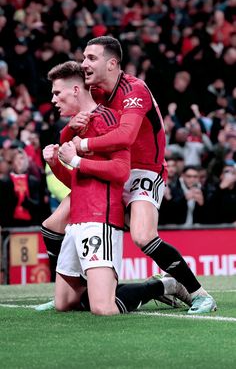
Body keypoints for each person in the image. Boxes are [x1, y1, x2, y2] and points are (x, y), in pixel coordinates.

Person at [61, 36, 216, 314]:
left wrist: (81, 147)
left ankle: (198, 293)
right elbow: (69, 112)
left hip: (145, 169)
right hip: (112, 166)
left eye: (91, 58)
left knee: (143, 235)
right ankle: (68, 294)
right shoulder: (92, 91)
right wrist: (72, 128)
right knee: (59, 220)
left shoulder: (135, 89)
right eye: (83, 57)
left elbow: (125, 135)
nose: (84, 63)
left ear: (112, 63)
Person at [40, 61, 191, 314]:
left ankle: (164, 286)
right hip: (77, 218)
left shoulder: (109, 119)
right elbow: (76, 184)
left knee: (103, 308)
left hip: (100, 217)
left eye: (57, 93)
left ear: (76, 90)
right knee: (65, 304)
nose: (53, 99)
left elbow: (121, 171)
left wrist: (76, 158)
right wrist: (57, 162)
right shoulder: (75, 128)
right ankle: (99, 290)